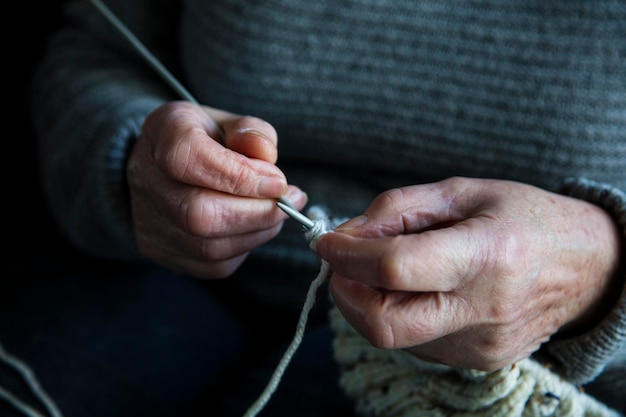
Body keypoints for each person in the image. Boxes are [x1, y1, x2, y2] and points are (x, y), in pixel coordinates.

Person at [5, 0, 624, 415]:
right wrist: (134, 157)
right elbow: (98, 45)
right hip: (164, 271)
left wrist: (600, 271)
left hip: (539, 353)